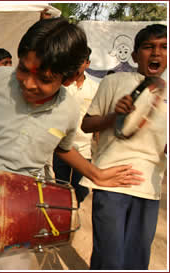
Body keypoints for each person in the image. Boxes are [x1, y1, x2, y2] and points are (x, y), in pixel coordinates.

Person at [0, 17, 144, 270]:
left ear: (66, 79)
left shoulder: (67, 109)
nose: (29, 83)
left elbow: (62, 147)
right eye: (23, 69)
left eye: (44, 79)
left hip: (23, 205)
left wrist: (95, 174)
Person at [80, 23, 167, 270]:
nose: (157, 53)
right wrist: (113, 116)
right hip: (111, 182)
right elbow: (87, 125)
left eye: (164, 47)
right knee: (109, 260)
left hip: (149, 190)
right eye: (149, 47)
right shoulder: (114, 82)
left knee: (137, 262)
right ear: (135, 54)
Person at [52, 47, 99, 205]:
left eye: (82, 61)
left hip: (84, 147)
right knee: (61, 186)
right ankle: (63, 217)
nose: (78, 64)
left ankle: (74, 210)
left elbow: (97, 117)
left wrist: (97, 144)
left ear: (87, 63)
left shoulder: (94, 88)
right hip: (60, 145)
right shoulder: (61, 86)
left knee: (81, 189)